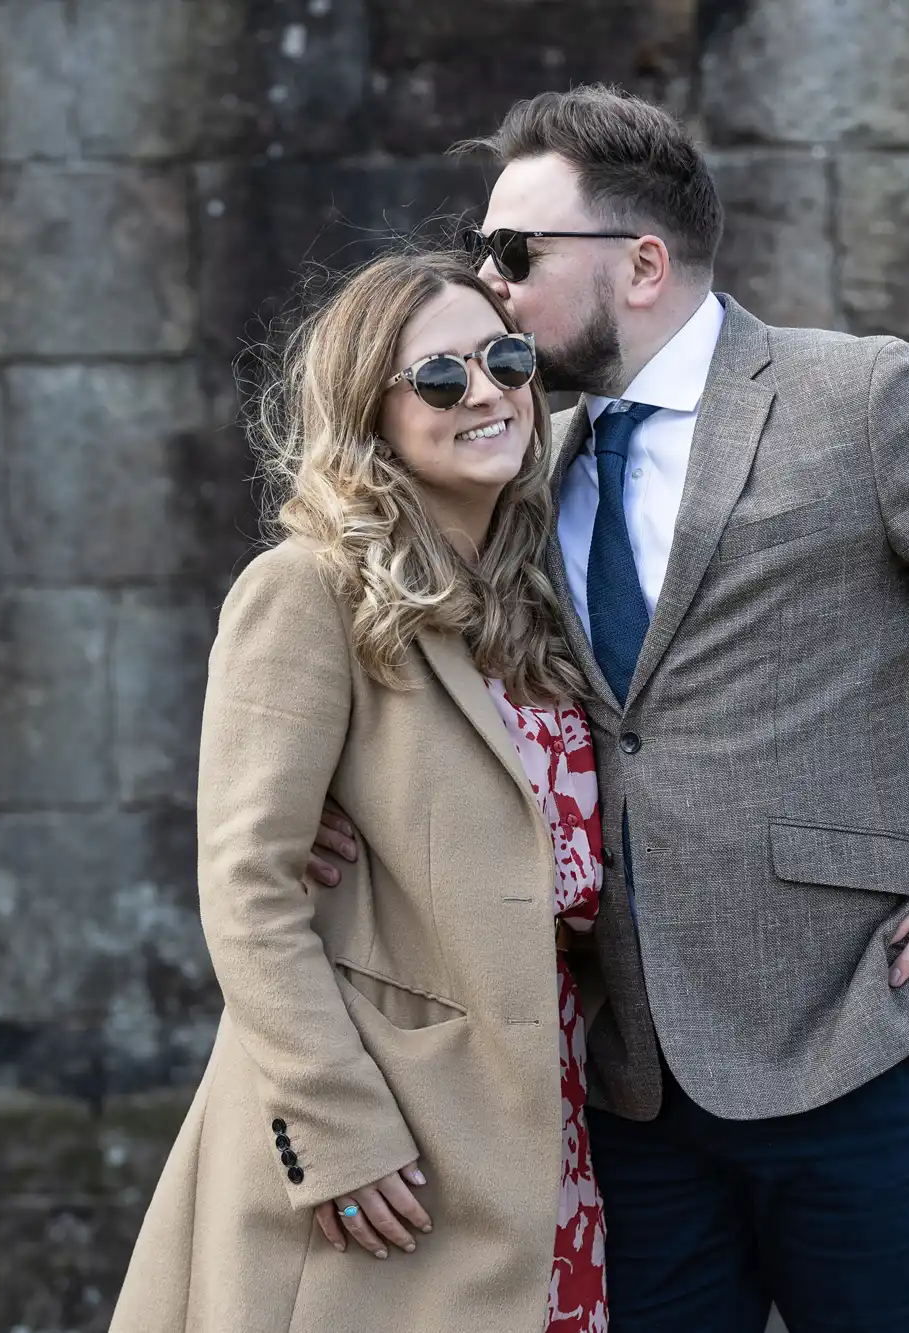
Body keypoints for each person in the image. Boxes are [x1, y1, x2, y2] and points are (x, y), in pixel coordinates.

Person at [306, 86, 909, 1332]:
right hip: (629, 1074)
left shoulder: (857, 401)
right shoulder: (518, 458)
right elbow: (450, 676)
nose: (489, 287)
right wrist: (344, 810)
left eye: (515, 254)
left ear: (640, 262)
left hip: (861, 1036)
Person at [110, 251, 611, 1333]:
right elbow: (247, 884)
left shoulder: (531, 591)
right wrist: (334, 1129)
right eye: (436, 379)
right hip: (385, 1147)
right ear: (369, 414)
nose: (483, 392)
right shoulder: (303, 590)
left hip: (546, 1119)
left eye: (505, 357)